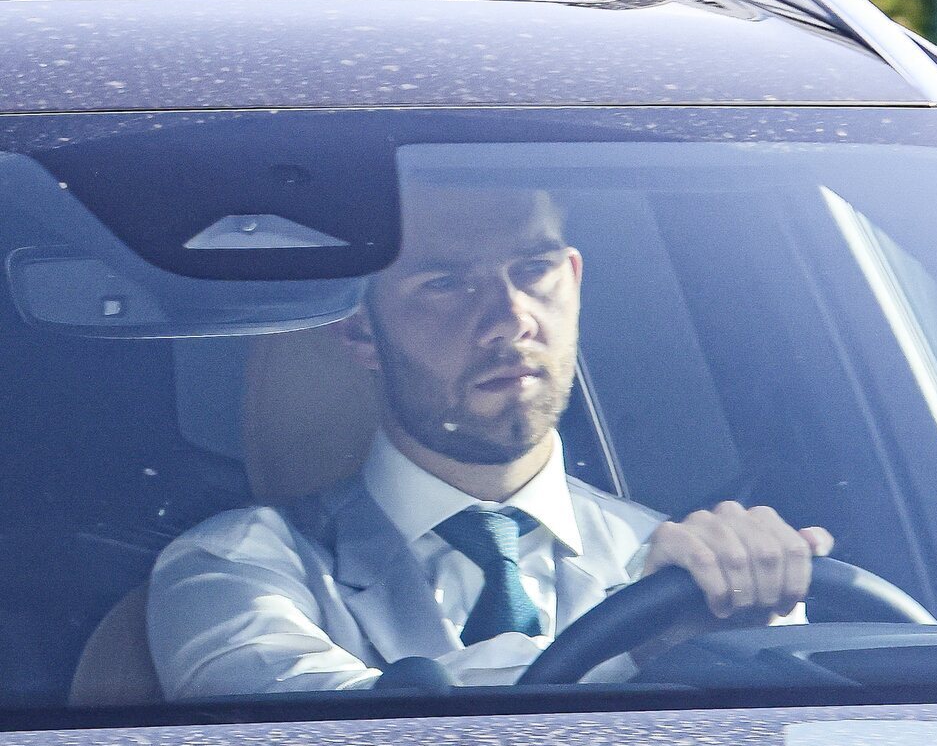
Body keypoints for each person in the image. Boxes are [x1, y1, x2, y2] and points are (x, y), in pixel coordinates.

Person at [147, 182, 833, 700]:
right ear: (360, 332)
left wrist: (764, 614)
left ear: (572, 281)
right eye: (446, 283)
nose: (508, 321)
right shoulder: (235, 566)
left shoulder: (685, 567)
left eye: (532, 270)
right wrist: (651, 654)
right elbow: (326, 745)